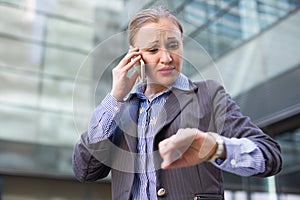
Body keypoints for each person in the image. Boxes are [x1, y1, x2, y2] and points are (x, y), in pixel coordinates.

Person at [72, 6, 282, 200]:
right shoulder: (119, 109)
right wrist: (114, 98)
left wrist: (217, 148)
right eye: (153, 50)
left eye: (173, 46)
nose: (166, 58)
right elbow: (85, 169)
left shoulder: (208, 95)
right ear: (135, 56)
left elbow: (269, 155)